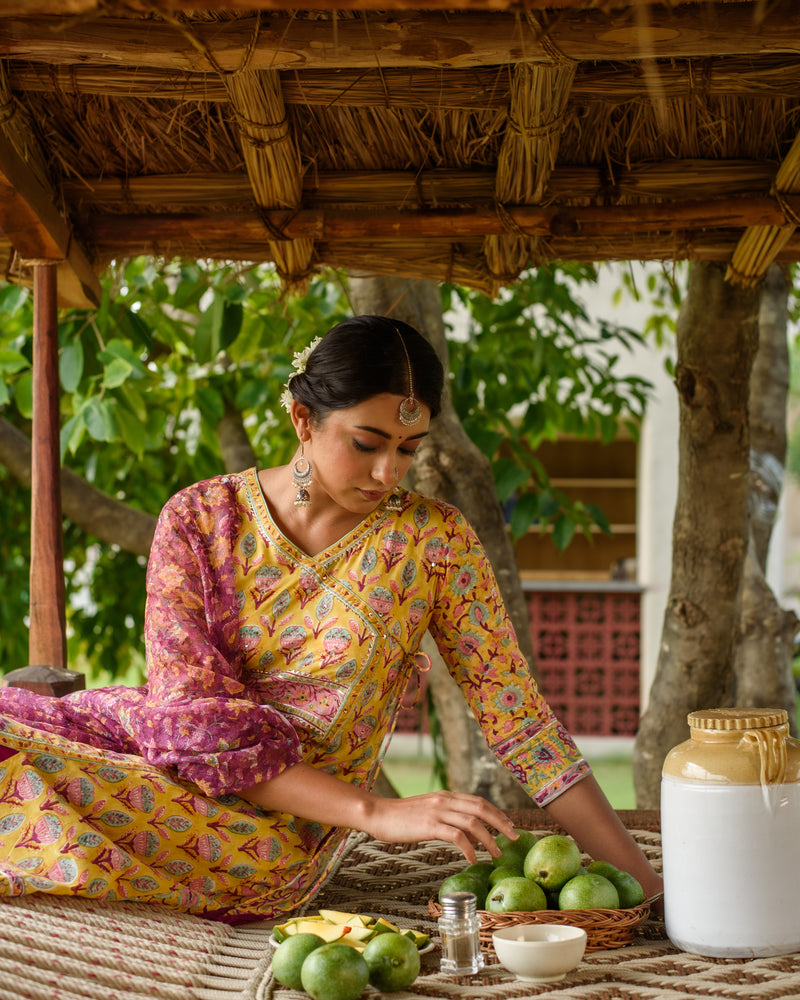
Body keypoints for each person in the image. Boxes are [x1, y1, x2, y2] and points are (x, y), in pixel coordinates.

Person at [0, 315, 661, 923]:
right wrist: (379, 812)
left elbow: (517, 718)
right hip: (166, 763)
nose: (386, 472)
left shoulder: (433, 543)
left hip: (274, 836)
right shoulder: (201, 520)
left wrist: (643, 889)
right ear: (302, 420)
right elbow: (188, 721)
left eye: (407, 448)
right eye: (367, 442)